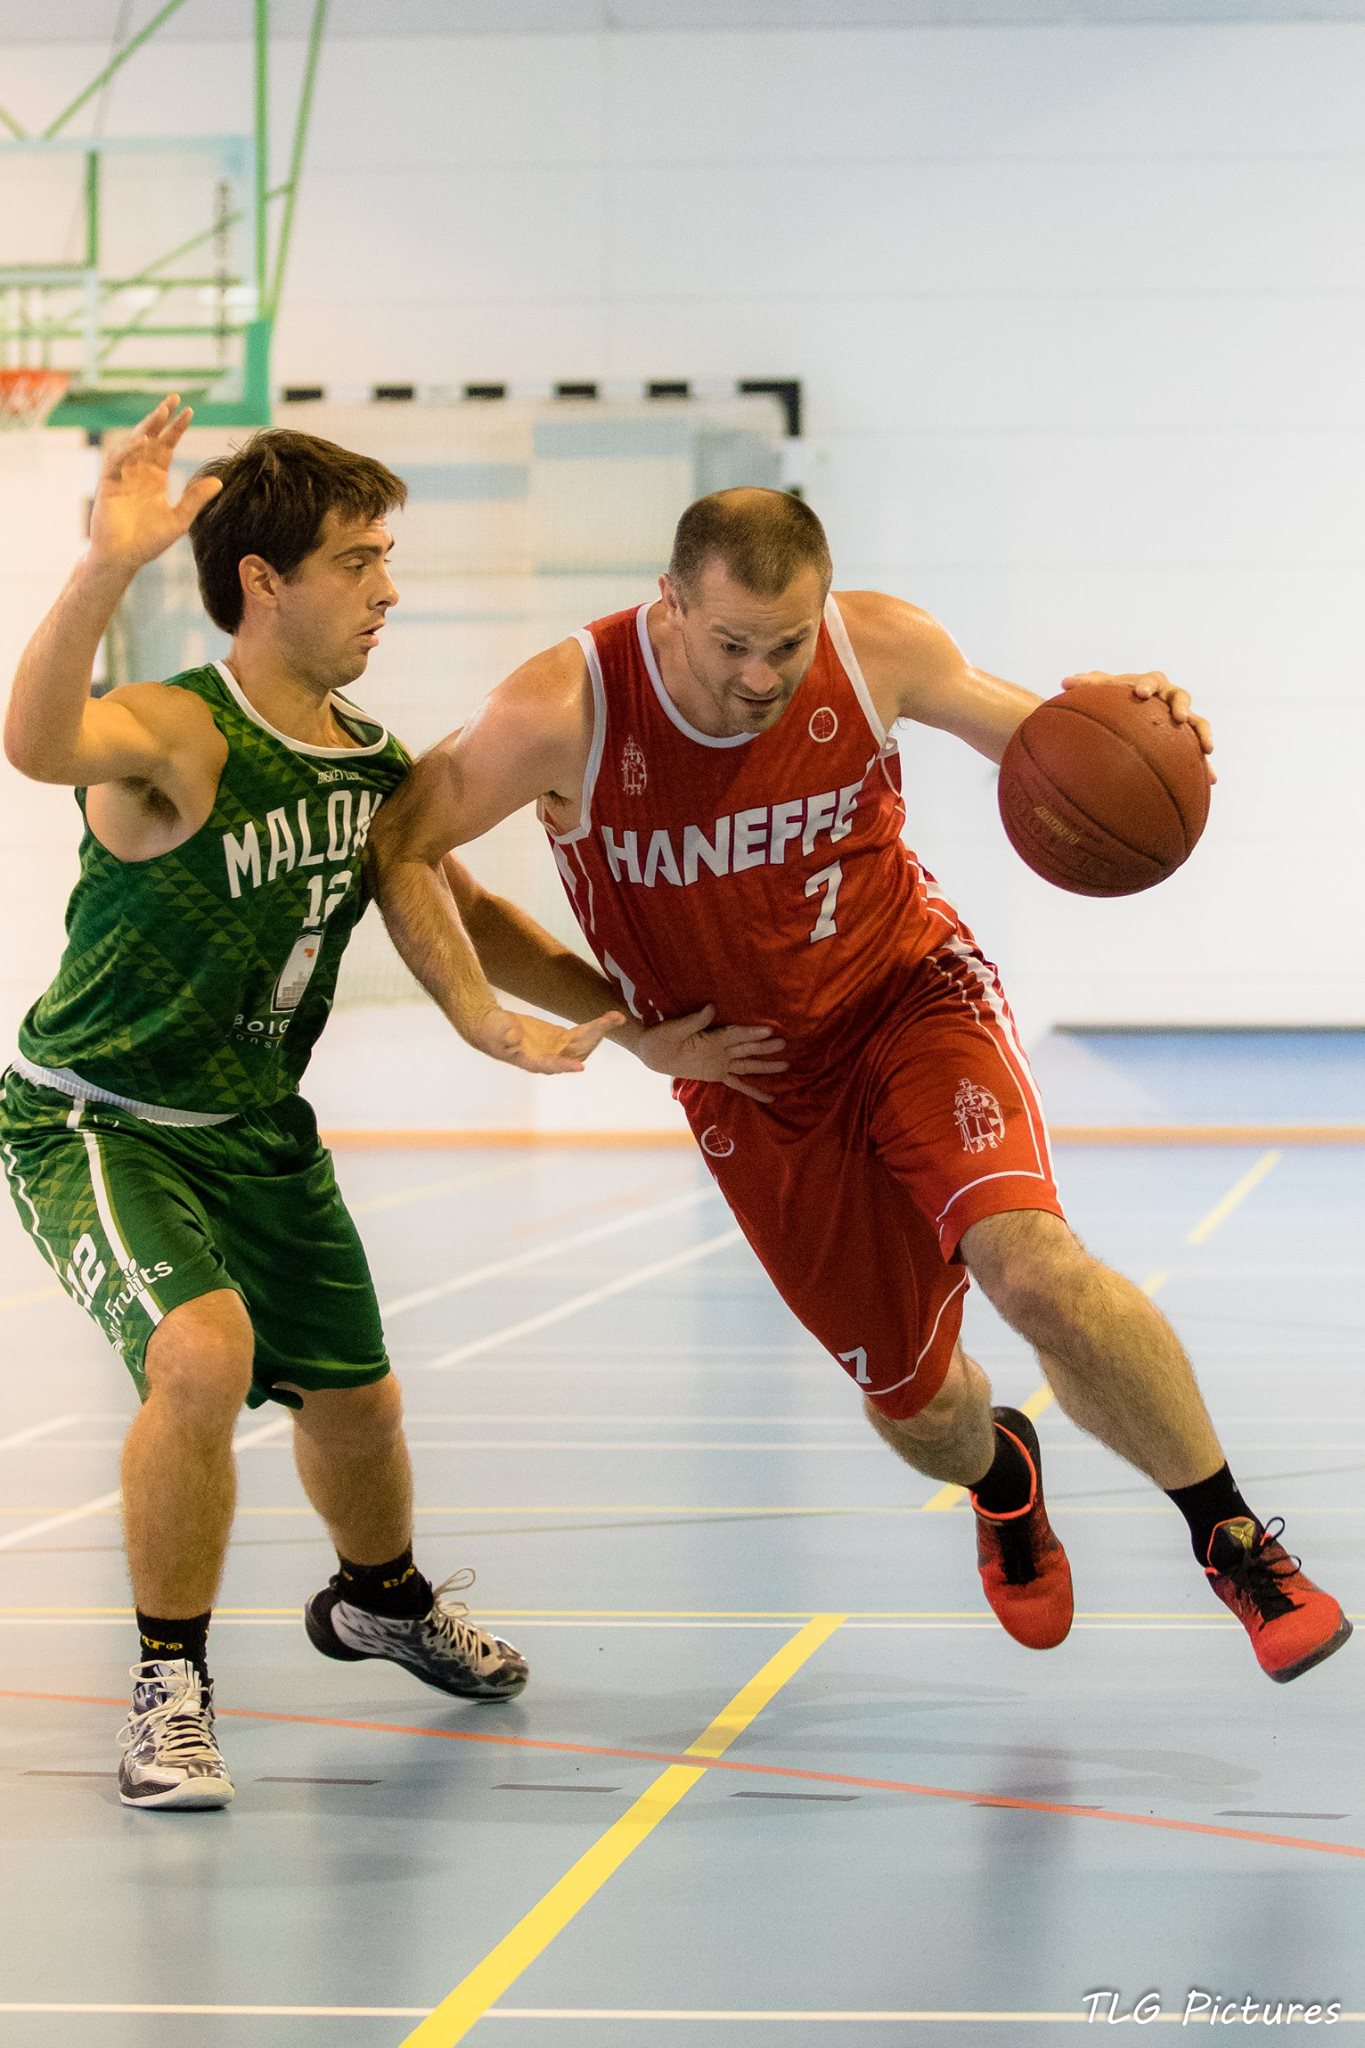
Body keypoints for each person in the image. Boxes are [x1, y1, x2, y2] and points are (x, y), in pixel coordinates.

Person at [369, 485, 1351, 1688]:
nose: (762, 675)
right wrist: (597, 1028)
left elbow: (1047, 739)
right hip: (755, 1084)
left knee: (1034, 1267)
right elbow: (403, 843)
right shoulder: (562, 708)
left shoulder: (875, 643)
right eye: (733, 644)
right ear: (669, 603)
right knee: (920, 1408)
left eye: (786, 643)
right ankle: (1004, 1476)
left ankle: (1236, 1543)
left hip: (908, 1000)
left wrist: (1136, 715)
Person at [0, 402, 784, 1811]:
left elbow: (467, 913)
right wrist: (108, 563)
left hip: (257, 1128)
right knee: (203, 1353)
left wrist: (628, 1021)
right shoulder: (182, 730)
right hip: (101, 1118)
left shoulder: (367, 764)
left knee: (359, 1404)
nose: (387, 588)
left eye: (386, 558)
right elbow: (40, 740)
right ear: (264, 581)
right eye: (357, 561)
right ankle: (169, 1688)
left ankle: (382, 1597)